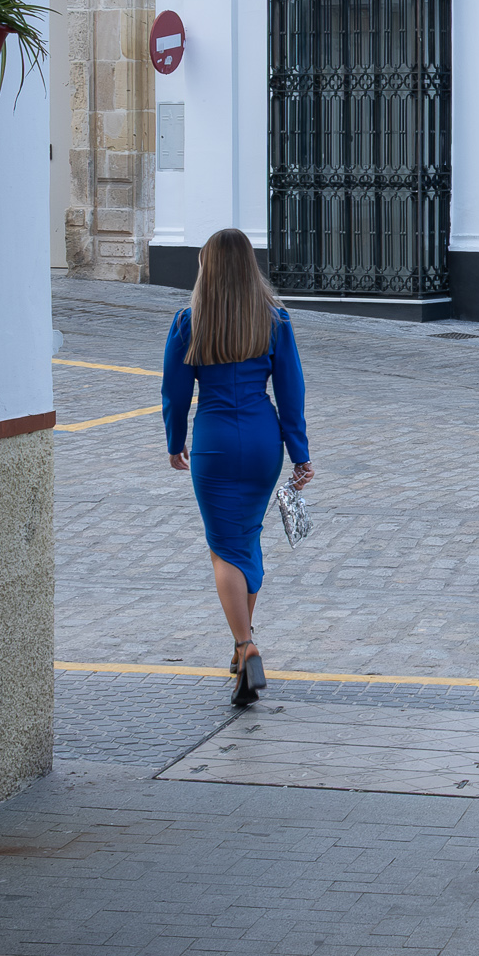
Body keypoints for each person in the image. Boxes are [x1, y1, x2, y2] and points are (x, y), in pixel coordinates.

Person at [161, 228, 312, 706]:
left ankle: (246, 647)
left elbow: (174, 392)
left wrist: (174, 442)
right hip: (262, 441)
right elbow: (292, 394)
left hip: (215, 443)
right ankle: (238, 645)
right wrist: (300, 451)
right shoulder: (275, 321)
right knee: (246, 539)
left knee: (224, 548)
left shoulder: (190, 322)